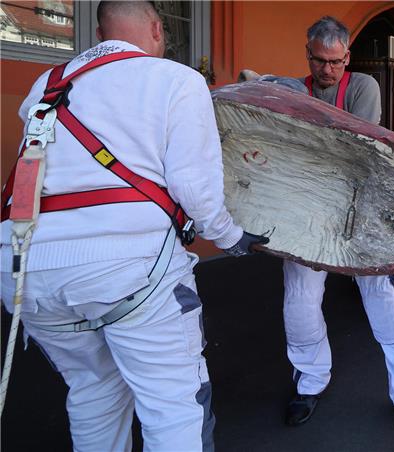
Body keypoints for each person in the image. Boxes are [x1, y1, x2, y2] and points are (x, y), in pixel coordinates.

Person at [0, 1, 266, 450]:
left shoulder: (46, 85)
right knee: (173, 404)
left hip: (26, 270)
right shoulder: (177, 79)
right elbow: (195, 189)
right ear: (159, 29)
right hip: (128, 270)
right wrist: (233, 238)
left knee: (94, 392)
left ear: (101, 33)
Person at [280, 16, 394, 432]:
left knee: (382, 297)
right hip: (307, 212)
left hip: (361, 211)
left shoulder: (362, 87)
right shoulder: (295, 87)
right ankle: (310, 381)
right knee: (300, 300)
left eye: (335, 61)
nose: (327, 70)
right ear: (307, 55)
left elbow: (352, 141)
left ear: (348, 57)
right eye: (319, 61)